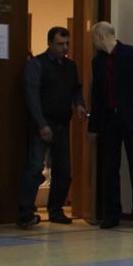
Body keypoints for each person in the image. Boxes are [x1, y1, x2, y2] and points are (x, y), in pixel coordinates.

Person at [18, 26, 86, 227]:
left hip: (62, 125)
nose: (64, 48)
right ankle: (25, 214)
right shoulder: (36, 65)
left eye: (67, 44)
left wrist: (80, 103)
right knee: (34, 168)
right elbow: (32, 96)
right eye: (60, 44)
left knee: (63, 170)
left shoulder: (70, 66)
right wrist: (41, 124)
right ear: (49, 43)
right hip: (42, 125)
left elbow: (75, 89)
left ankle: (56, 210)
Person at [88, 21, 133, 230]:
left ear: (100, 36)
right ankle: (111, 214)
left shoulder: (132, 54)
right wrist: (93, 127)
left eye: (93, 38)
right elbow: (96, 96)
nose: (93, 42)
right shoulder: (97, 62)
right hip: (109, 121)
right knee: (109, 168)